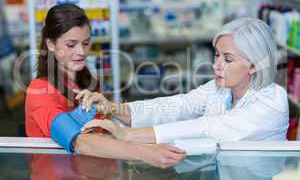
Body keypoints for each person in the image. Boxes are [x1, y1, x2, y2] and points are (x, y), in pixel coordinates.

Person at [77, 18, 289, 144]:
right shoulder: (221, 89)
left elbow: (207, 127)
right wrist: (113, 107)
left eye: (228, 59)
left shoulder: (272, 100)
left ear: (254, 64)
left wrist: (127, 135)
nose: (216, 65)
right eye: (216, 55)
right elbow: (175, 106)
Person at [25, 4, 186, 168]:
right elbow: (80, 142)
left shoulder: (89, 82)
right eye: (71, 45)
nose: (81, 51)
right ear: (51, 44)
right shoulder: (39, 91)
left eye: (86, 43)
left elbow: (103, 132)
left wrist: (111, 112)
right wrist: (145, 153)